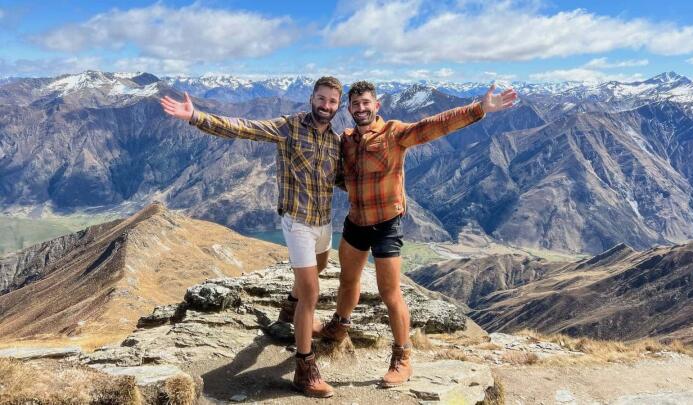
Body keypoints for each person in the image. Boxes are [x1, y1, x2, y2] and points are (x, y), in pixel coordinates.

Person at [319, 80, 517, 388]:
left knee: (389, 292)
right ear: (349, 109)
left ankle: (403, 357)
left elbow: (434, 126)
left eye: (366, 103)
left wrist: (480, 108)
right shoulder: (345, 140)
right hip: (356, 221)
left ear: (376, 106)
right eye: (355, 105)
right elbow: (337, 172)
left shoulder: (394, 133)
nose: (361, 109)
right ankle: (339, 326)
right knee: (347, 279)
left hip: (386, 224)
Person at [160, 76, 344, 398]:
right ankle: (304, 368)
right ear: (312, 98)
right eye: (322, 99)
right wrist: (196, 117)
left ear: (337, 105)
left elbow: (343, 179)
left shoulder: (337, 142)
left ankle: (289, 308)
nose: (326, 106)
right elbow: (244, 127)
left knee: (321, 267)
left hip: (323, 223)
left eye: (332, 102)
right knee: (312, 294)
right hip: (297, 222)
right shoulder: (289, 128)